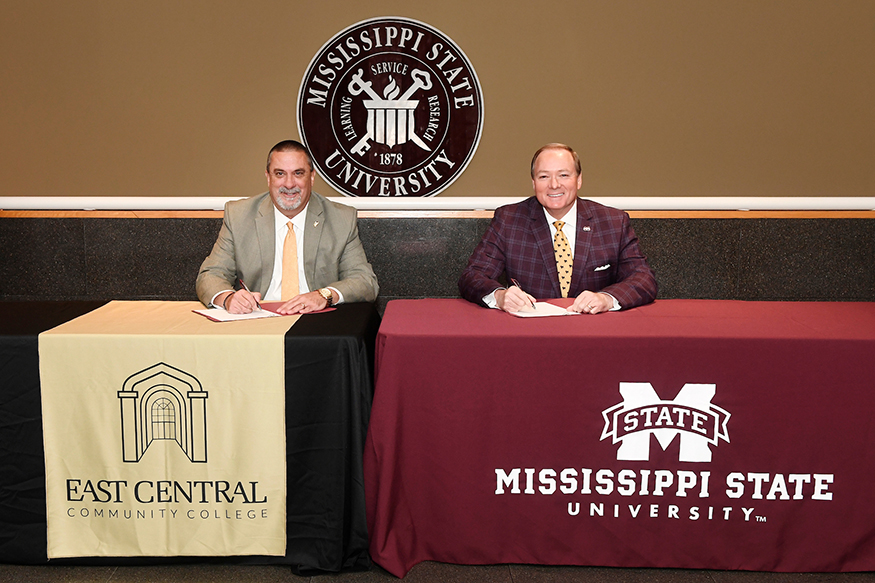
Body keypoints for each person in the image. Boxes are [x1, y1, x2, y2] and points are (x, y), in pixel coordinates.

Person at [458, 143, 656, 314]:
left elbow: (643, 279)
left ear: (578, 180)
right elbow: (472, 276)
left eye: (563, 175)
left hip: (595, 334)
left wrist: (606, 299)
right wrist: (500, 296)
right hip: (530, 335)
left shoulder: (612, 222)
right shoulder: (509, 220)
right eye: (544, 176)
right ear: (533, 183)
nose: (554, 185)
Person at [196, 140, 378, 314]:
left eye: (298, 173)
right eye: (280, 174)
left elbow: (365, 281)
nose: (289, 184)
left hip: (317, 321)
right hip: (257, 320)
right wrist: (229, 299)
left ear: (312, 177)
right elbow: (210, 275)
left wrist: (324, 295)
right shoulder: (239, 216)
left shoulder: (341, 218)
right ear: (268, 177)